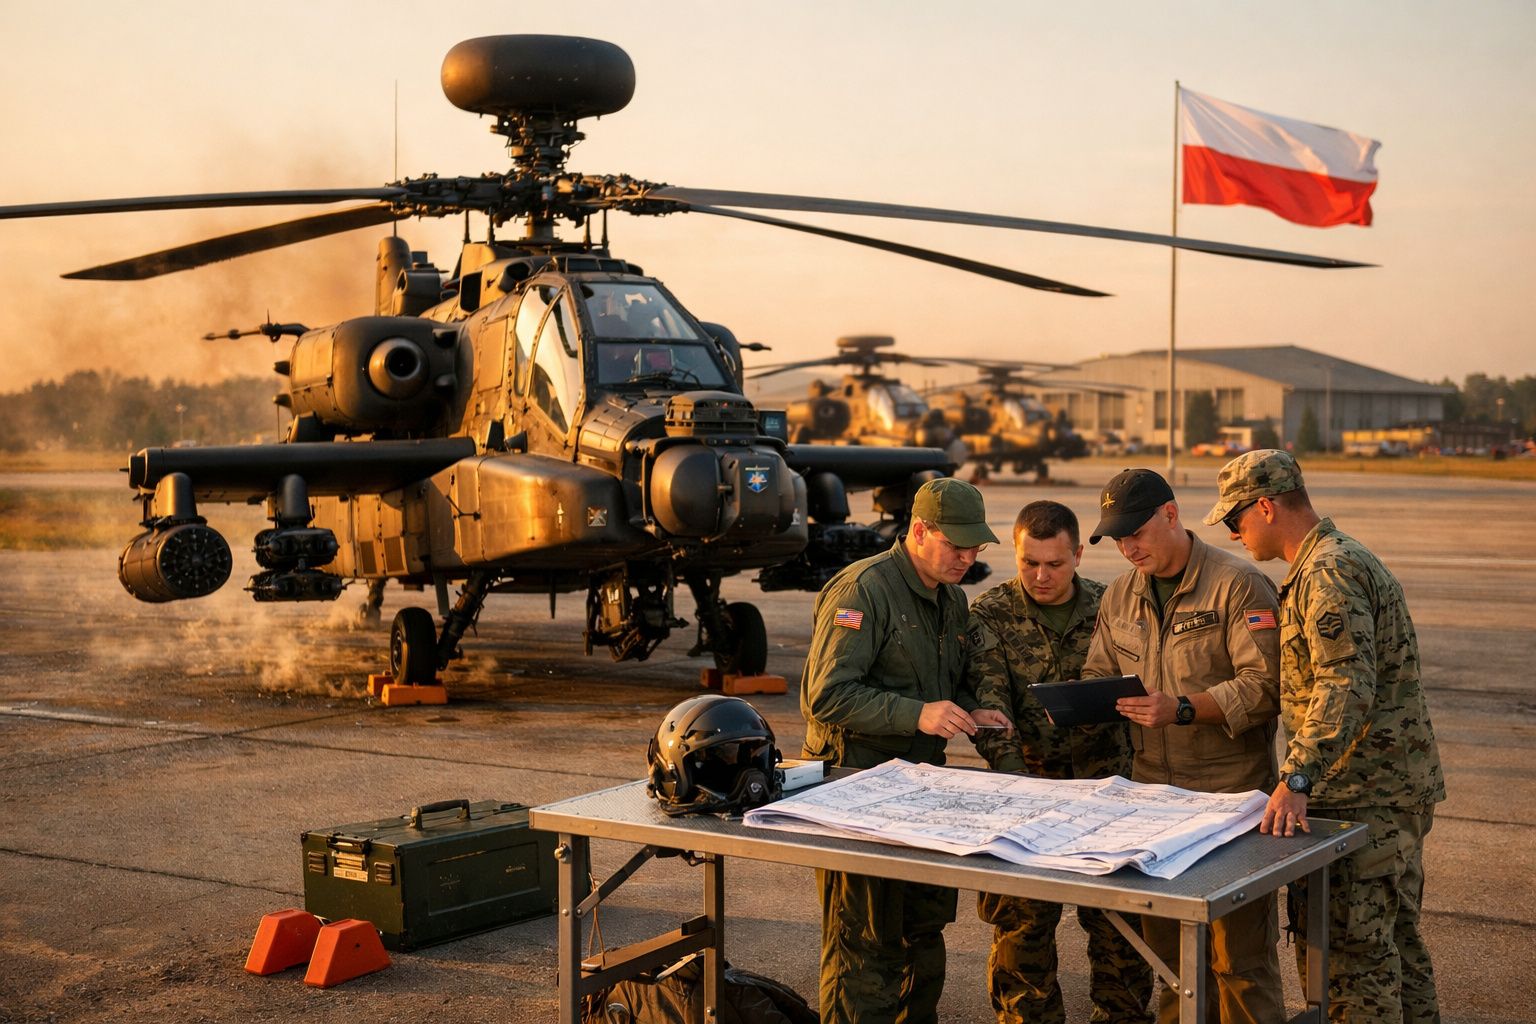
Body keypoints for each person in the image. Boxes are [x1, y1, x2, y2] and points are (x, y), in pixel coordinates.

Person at [1204, 450, 1444, 1024]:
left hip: (1364, 794)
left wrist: (1298, 776)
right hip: (1387, 792)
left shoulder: (1327, 571)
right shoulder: (1334, 560)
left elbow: (1345, 680)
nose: (1234, 534)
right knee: (1395, 950)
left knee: (1353, 968)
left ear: (1265, 505)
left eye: (1235, 519)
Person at [800, 476, 1011, 1024]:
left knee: (924, 935)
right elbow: (826, 696)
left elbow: (945, 678)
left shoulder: (950, 598)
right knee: (865, 949)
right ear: (919, 531)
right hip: (856, 793)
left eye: (975, 548)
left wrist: (970, 709)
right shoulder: (863, 591)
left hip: (922, 792)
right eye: (956, 545)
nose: (967, 558)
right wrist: (918, 714)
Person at [1082, 468, 1284, 1024]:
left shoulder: (1237, 584)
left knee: (1238, 963)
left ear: (1170, 515)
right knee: (1172, 965)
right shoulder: (1121, 595)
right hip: (1154, 806)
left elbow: (1267, 686)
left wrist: (1183, 706)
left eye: (1136, 533)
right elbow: (1100, 670)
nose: (1127, 548)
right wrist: (1083, 700)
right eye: (1117, 538)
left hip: (1230, 803)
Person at [966, 500, 1153, 1024]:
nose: (1041, 576)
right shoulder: (989, 615)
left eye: (1055, 564)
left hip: (1109, 795)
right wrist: (1019, 786)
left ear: (1077, 556)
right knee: (1023, 935)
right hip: (1028, 795)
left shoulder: (1112, 604)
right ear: (1015, 554)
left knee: (1121, 929)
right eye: (1029, 563)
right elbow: (990, 703)